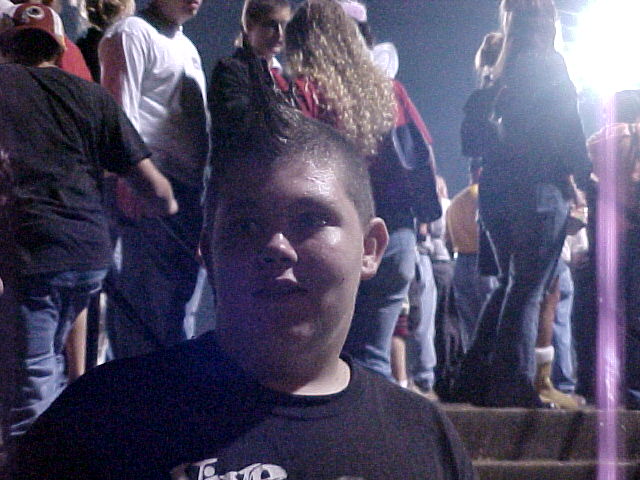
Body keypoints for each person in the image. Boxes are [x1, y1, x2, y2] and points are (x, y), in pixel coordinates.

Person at [13, 80, 477, 480]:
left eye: (310, 218)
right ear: (207, 251)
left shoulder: (425, 439)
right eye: (246, 225)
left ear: (371, 248)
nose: (276, 246)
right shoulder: (100, 420)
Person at [0, 2, 176, 462]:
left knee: (29, 389)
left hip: (35, 254)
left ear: (8, 47)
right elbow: (158, 190)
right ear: (60, 48)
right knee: (53, 370)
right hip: (88, 255)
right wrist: (168, 207)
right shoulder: (90, 96)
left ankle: (35, 465)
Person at [454, 0, 591, 408]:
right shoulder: (550, 64)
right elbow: (568, 127)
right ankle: (511, 383)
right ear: (549, 22)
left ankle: (471, 378)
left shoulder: (500, 70)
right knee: (528, 289)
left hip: (496, 191)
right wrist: (585, 178)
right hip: (539, 190)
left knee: (511, 285)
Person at [99, 0, 209, 358]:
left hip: (184, 190)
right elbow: (119, 112)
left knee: (174, 308)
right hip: (148, 189)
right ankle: (138, 388)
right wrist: (130, 180)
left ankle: (165, 384)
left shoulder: (186, 45)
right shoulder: (133, 33)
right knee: (144, 311)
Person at [586, 89, 640, 408]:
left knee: (611, 313)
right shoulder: (634, 137)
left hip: (607, 235)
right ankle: (634, 386)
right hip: (634, 231)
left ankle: (612, 385)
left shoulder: (598, 142)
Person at [208, 0, 294, 154]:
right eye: (271, 25)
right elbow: (240, 127)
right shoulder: (230, 71)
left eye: (284, 25)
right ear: (249, 25)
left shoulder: (286, 79)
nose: (280, 33)